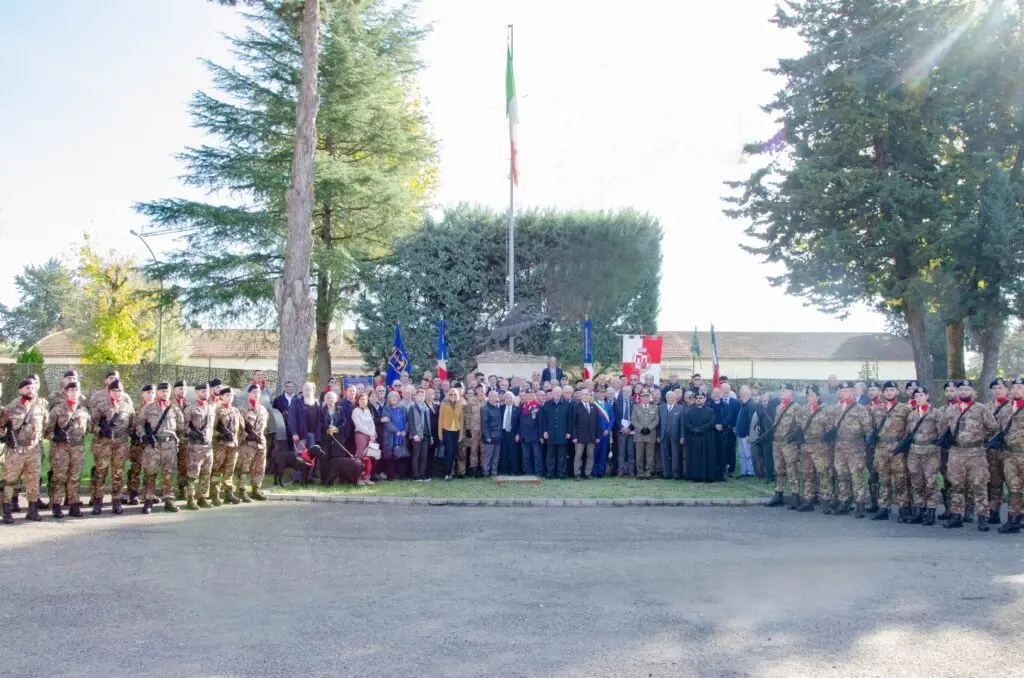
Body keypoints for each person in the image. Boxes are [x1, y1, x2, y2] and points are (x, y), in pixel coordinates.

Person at [942, 380, 999, 530]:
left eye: (967, 389)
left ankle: (982, 517)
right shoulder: (951, 410)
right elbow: (944, 428)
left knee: (979, 484)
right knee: (956, 484)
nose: (963, 392)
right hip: (956, 453)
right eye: (961, 390)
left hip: (976, 453)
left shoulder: (981, 409)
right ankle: (956, 515)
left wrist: (982, 439)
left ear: (972, 392)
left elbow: (993, 427)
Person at [1, 379, 48, 524]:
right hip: (16, 450)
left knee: (33, 480)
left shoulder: (40, 408)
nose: (30, 390)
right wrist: (5, 437)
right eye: (27, 388)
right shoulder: (10, 409)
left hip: (33, 450)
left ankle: (32, 510)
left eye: (33, 388)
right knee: (10, 481)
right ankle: (7, 510)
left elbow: (45, 425)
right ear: (20, 390)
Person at [90, 378, 136, 515]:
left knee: (118, 475)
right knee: (100, 474)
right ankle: (98, 500)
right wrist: (100, 430)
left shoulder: (127, 407)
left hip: (120, 446)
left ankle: (116, 501)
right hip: (102, 445)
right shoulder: (101, 406)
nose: (117, 393)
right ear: (109, 391)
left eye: (120, 390)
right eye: (114, 390)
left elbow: (132, 426)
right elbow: (90, 425)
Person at [136, 382, 183, 514]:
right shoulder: (148, 408)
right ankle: (148, 500)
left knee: (168, 473)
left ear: (170, 393)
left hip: (169, 445)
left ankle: (169, 500)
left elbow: (181, 426)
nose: (164, 393)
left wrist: (174, 438)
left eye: (167, 392)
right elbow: (139, 424)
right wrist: (144, 435)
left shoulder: (175, 409)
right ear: (157, 393)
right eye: (162, 391)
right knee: (151, 473)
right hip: (153, 445)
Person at [46, 381, 90, 519]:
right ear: (65, 392)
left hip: (78, 448)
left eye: (76, 390)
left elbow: (89, 428)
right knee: (59, 477)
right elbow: (47, 430)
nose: (74, 392)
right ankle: (57, 506)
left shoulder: (83, 411)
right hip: (61, 449)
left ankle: (74, 505)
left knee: (75, 477)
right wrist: (55, 437)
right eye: (70, 390)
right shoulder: (57, 410)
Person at [831, 381, 874, 518]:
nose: (843, 394)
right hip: (840, 447)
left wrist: (867, 448)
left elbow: (868, 430)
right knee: (842, 475)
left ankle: (860, 504)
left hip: (855, 448)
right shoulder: (837, 409)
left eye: (846, 391)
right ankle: (844, 501)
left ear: (853, 392)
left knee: (856, 476)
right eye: (841, 391)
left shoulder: (860, 409)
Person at [870, 381, 911, 522]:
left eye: (892, 390)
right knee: (883, 478)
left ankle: (903, 509)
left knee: (900, 479)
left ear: (897, 392)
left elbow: (909, 429)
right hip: (881, 447)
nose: (889, 392)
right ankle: (883, 508)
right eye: (886, 390)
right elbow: (872, 428)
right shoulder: (876, 409)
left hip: (897, 448)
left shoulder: (904, 409)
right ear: (883, 392)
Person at [904, 386, 943, 525]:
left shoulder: (936, 413)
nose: (919, 398)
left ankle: (931, 511)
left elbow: (942, 434)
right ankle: (919, 511)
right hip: (915, 452)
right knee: (916, 482)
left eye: (921, 395)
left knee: (930, 482)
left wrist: (936, 449)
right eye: (916, 396)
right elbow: (907, 434)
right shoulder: (911, 415)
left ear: (927, 396)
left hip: (930, 452)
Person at [763, 384, 802, 508]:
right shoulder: (779, 407)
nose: (780, 392)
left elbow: (800, 426)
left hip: (789, 444)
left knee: (792, 469)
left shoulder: (796, 407)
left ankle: (795, 496)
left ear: (790, 393)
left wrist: (793, 437)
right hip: (777, 442)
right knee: (779, 469)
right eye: (780, 390)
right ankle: (778, 494)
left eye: (783, 391)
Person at [794, 385, 831, 512]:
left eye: (813, 395)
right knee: (807, 473)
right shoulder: (802, 410)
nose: (810, 398)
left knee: (823, 473)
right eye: (808, 395)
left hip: (820, 446)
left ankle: (826, 501)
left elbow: (830, 429)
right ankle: (808, 500)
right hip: (805, 446)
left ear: (818, 397)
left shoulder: (825, 410)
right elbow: (799, 427)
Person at [182, 382, 216, 511]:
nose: (205, 393)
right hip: (195, 447)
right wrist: (191, 433)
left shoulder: (211, 407)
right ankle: (190, 499)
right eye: (202, 391)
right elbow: (183, 425)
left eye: (207, 391)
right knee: (192, 474)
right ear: (197, 393)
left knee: (206, 473)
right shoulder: (191, 408)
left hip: (208, 446)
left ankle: (203, 497)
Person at [996, 377, 1024, 533]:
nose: (1016, 390)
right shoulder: (1006, 409)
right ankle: (1013, 520)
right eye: (1013, 388)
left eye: (1020, 387)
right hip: (1010, 456)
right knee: (1013, 489)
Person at [235, 384, 269, 501]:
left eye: (258, 392)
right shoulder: (242, 409)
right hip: (247, 444)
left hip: (260, 443)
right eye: (254, 392)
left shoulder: (263, 410)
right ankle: (242, 491)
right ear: (249, 393)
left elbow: (264, 427)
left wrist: (259, 438)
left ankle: (256, 489)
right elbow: (238, 428)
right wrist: (247, 436)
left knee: (259, 467)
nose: (256, 394)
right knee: (244, 468)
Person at [210, 386, 242, 506]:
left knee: (229, 470)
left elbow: (241, 428)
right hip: (220, 445)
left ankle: (228, 493)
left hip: (233, 446)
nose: (230, 397)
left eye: (231, 395)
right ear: (221, 397)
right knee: (217, 470)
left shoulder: (235, 410)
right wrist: (219, 435)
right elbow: (210, 429)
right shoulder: (217, 411)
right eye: (227, 395)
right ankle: (215, 495)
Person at [987, 378, 1011, 525]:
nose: (998, 390)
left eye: (1001, 388)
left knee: (1014, 483)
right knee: (994, 483)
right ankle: (993, 512)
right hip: (992, 452)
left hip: (1009, 452)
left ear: (1007, 390)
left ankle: (1017, 514)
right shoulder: (985, 408)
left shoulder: (1014, 407)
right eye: (995, 388)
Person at [126, 384, 155, 505]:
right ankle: (133, 493)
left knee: (150, 469)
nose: (150, 394)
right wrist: (135, 434)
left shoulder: (157, 408)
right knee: (135, 469)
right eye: (147, 392)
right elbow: (129, 424)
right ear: (142, 394)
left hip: (151, 444)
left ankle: (148, 494)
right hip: (137, 444)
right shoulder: (136, 408)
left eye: (152, 392)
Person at [683, 392, 717, 482]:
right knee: (695, 457)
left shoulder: (710, 410)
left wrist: (700, 429)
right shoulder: (690, 411)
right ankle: (696, 476)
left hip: (707, 438)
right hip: (694, 438)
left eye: (700, 398)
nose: (698, 399)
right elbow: (686, 423)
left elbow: (712, 422)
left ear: (704, 399)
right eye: (697, 398)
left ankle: (708, 476)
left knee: (707, 456)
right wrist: (694, 430)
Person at [287, 382, 323, 467]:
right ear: (302, 390)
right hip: (300, 434)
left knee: (311, 457)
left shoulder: (317, 403)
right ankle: (297, 478)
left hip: (313, 434)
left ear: (313, 391)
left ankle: (308, 477)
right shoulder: (296, 402)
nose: (308, 392)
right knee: (300, 456)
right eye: (306, 389)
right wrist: (294, 433)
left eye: (309, 390)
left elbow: (320, 419)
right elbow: (292, 419)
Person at [542, 386, 572, 479]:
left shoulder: (567, 404)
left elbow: (569, 420)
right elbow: (544, 420)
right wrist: (545, 431)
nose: (556, 394)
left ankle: (561, 473)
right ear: (552, 393)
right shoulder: (547, 404)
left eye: (558, 392)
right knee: (550, 454)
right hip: (550, 433)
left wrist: (568, 432)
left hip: (562, 433)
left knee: (561, 455)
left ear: (561, 393)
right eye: (555, 392)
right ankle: (550, 472)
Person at [571, 389, 600, 480]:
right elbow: (573, 423)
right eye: (584, 394)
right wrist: (574, 436)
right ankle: (577, 474)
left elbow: (597, 423)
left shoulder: (594, 406)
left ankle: (588, 473)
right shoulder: (576, 406)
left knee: (590, 455)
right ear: (581, 396)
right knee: (578, 456)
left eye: (587, 394)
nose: (586, 396)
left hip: (592, 436)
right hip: (579, 436)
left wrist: (598, 436)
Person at [631, 390, 659, 479]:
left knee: (650, 455)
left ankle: (648, 473)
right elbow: (634, 420)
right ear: (641, 398)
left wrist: (649, 428)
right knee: (639, 455)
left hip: (650, 434)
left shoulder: (655, 407)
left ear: (649, 398)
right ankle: (640, 473)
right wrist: (641, 429)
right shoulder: (636, 407)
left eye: (647, 396)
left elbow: (656, 420)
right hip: (639, 434)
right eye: (643, 396)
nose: (645, 398)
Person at [515, 390, 543, 476]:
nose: (529, 397)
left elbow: (541, 423)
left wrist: (541, 436)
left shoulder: (538, 406)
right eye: (527, 395)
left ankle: (538, 472)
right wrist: (518, 434)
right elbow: (519, 422)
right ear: (525, 396)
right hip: (524, 436)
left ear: (534, 396)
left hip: (535, 436)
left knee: (537, 456)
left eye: (531, 395)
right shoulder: (522, 407)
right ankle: (527, 472)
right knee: (526, 456)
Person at [381, 391, 408, 480]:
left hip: (402, 435)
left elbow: (407, 421)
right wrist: (396, 431)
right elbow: (387, 422)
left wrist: (405, 430)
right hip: (391, 435)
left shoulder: (403, 408)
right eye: (392, 398)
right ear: (389, 399)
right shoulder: (386, 409)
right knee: (390, 456)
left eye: (395, 397)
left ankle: (402, 475)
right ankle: (391, 476)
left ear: (398, 399)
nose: (394, 399)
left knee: (401, 454)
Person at [407, 389, 432, 481]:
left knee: (424, 456)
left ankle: (422, 474)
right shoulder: (412, 407)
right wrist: (414, 434)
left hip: (425, 435)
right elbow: (411, 423)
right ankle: (416, 475)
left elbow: (428, 422)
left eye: (423, 396)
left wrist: (430, 436)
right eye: (420, 395)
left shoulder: (426, 408)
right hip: (417, 435)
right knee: (416, 455)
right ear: (416, 397)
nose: (422, 397)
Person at [351, 393, 377, 484]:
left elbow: (372, 423)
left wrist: (373, 434)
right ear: (358, 401)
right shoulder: (355, 411)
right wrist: (370, 433)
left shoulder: (368, 410)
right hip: (360, 435)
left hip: (370, 436)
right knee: (360, 457)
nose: (363, 401)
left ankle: (366, 477)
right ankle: (358, 478)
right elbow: (358, 425)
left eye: (365, 399)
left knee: (368, 457)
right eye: (361, 399)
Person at [658, 390, 684, 479]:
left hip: (675, 436)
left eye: (672, 397)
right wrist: (658, 435)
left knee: (675, 455)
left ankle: (675, 474)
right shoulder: (660, 408)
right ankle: (666, 473)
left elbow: (682, 424)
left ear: (675, 398)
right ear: (665, 398)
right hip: (663, 435)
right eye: (668, 397)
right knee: (664, 455)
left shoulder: (680, 408)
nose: (670, 399)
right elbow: (658, 423)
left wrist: (682, 436)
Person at [439, 389, 463, 481]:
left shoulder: (459, 405)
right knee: (449, 451)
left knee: (453, 452)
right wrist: (440, 433)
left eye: (455, 395)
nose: (453, 396)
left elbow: (461, 420)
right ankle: (447, 474)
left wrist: (460, 435)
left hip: (456, 431)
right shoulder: (444, 405)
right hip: (446, 430)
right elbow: (440, 420)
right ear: (448, 395)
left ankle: (450, 473)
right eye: (451, 394)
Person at [614, 385, 636, 477]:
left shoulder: (634, 402)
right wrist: (622, 428)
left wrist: (630, 428)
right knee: (621, 452)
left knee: (631, 452)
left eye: (628, 391)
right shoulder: (616, 403)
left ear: (631, 392)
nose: (626, 393)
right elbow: (616, 417)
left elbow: (636, 418)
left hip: (631, 431)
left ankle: (631, 472)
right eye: (624, 391)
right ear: (622, 392)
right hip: (621, 431)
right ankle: (620, 471)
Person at [481, 391, 503, 477]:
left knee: (496, 456)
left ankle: (494, 472)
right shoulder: (485, 408)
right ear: (489, 397)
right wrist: (487, 436)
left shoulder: (497, 407)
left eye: (496, 396)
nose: (495, 397)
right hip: (490, 436)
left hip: (498, 435)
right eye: (493, 396)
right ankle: (486, 472)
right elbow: (484, 424)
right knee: (488, 456)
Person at [592, 390, 614, 477]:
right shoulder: (594, 404)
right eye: (600, 393)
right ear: (597, 394)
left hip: (606, 433)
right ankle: (594, 471)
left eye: (603, 393)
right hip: (597, 433)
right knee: (595, 453)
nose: (602, 394)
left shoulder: (608, 405)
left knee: (603, 453)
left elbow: (612, 418)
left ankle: (601, 472)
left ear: (605, 394)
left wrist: (608, 430)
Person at [735, 386, 756, 477]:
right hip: (740, 434)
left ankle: (750, 472)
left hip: (746, 435)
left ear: (747, 394)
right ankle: (744, 471)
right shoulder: (743, 404)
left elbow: (751, 421)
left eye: (743, 393)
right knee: (742, 454)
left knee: (748, 454)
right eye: (741, 392)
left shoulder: (750, 405)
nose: (741, 394)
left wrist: (749, 434)